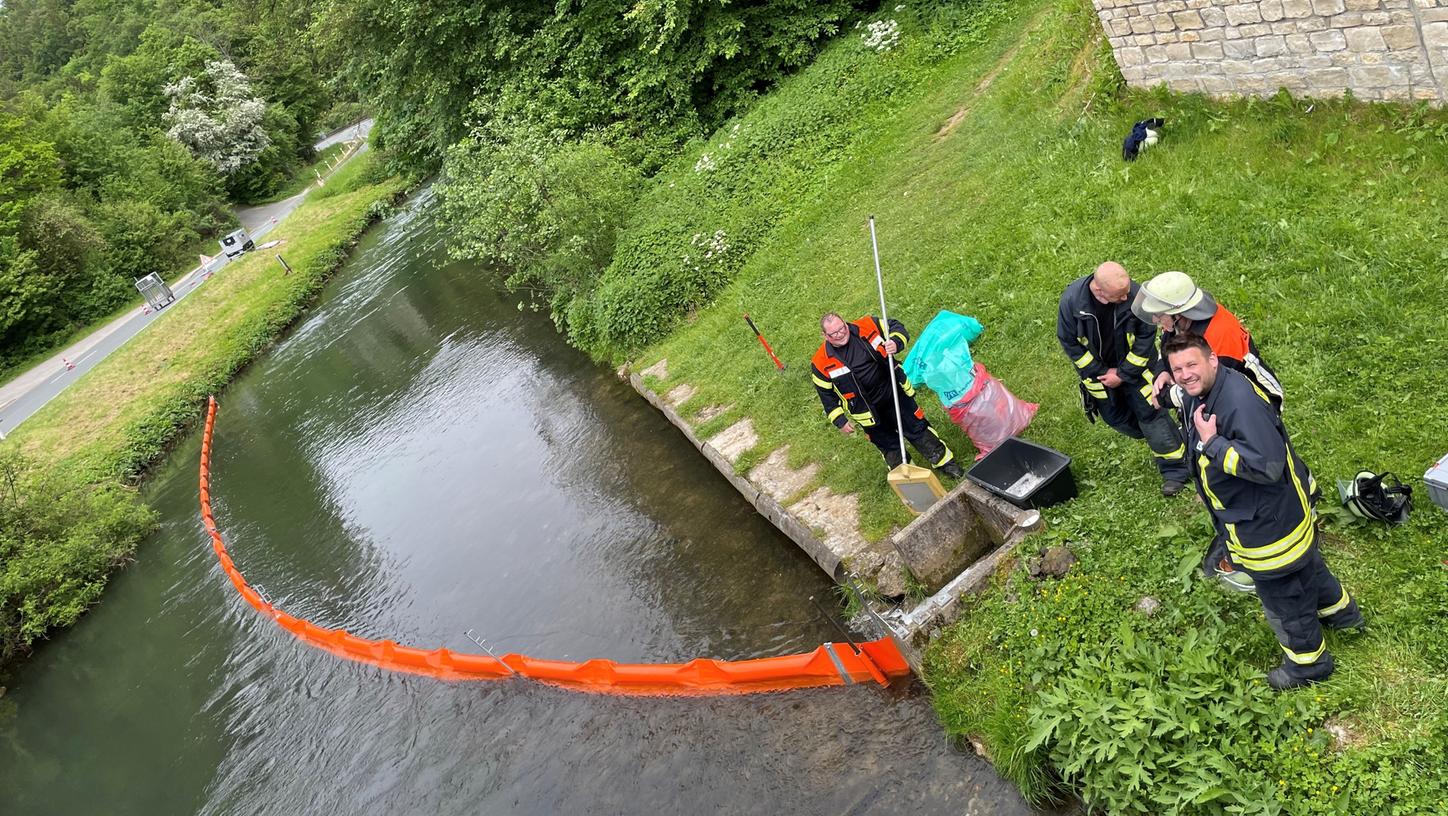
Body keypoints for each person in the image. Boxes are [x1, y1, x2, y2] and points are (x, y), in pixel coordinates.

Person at [1163, 332, 1362, 690]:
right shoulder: (1210, 386)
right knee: (1309, 568)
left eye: (1191, 364)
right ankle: (1343, 615)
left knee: (1285, 601)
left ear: (1212, 360)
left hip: (1268, 531)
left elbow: (1267, 467)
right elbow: (1181, 393)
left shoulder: (1238, 404)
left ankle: (1308, 665)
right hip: (1282, 517)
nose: (1184, 374)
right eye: (1177, 368)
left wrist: (1213, 444)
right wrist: (1166, 388)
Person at [1056, 262, 1189, 496]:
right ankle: (1169, 434)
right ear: (1099, 292)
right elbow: (1068, 341)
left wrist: (1123, 373)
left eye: (1127, 291)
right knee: (1115, 418)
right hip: (1099, 377)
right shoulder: (1072, 303)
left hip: (1136, 371)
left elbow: (1146, 336)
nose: (1128, 297)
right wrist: (1099, 371)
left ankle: (1177, 469)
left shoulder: (1135, 296)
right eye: (1120, 295)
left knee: (1151, 416)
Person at [811, 312, 964, 479]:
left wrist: (896, 342)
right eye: (834, 333)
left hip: (895, 394)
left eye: (842, 328)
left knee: (918, 429)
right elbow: (826, 395)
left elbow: (897, 327)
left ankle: (946, 463)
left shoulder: (868, 325)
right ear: (824, 336)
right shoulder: (821, 362)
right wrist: (840, 420)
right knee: (889, 446)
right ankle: (909, 479)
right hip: (868, 413)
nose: (841, 334)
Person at [1132, 271, 1284, 412]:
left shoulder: (1219, 336)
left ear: (1178, 313)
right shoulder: (1178, 322)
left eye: (1158, 315)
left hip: (1256, 401)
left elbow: (1204, 384)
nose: (1155, 319)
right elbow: (1168, 347)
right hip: (1220, 397)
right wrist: (1162, 372)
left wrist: (1163, 397)